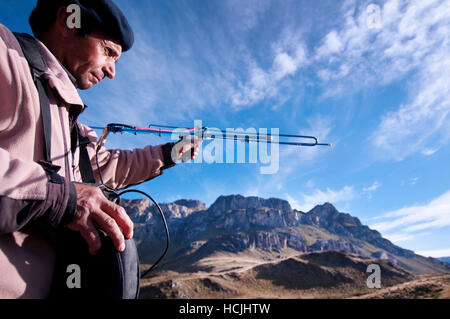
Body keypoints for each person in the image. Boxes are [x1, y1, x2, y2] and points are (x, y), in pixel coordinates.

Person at [0, 0, 200, 298]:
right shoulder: (6, 56)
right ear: (68, 19)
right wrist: (64, 198)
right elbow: (67, 195)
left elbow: (110, 167)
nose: (112, 72)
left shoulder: (74, 127)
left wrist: (172, 153)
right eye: (108, 52)